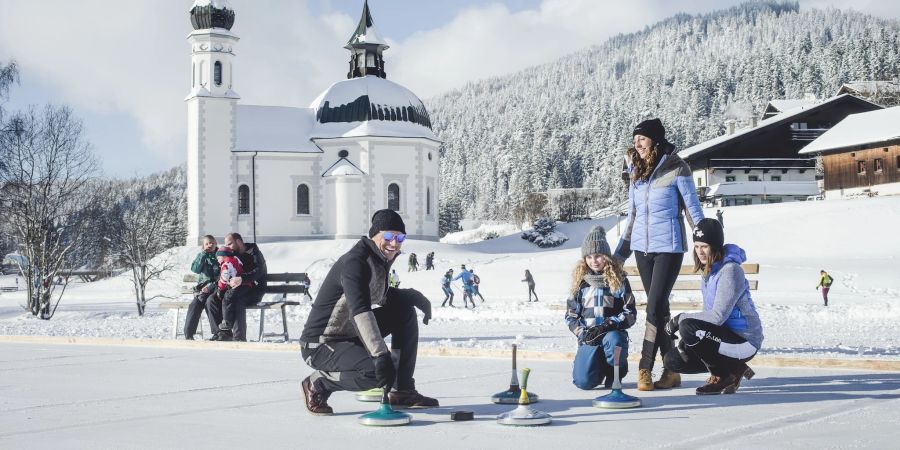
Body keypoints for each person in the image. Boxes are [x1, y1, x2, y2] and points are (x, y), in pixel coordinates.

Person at [299, 209, 437, 415]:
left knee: (404, 313)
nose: (395, 243)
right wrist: (380, 355)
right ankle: (318, 383)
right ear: (375, 234)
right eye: (389, 236)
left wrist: (413, 296)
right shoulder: (355, 262)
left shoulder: (378, 258)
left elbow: (379, 295)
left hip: (348, 336)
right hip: (320, 345)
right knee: (375, 371)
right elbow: (360, 310)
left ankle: (403, 389)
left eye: (400, 237)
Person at [614, 118, 704, 391]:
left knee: (653, 308)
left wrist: (705, 242)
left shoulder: (677, 166)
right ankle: (671, 370)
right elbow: (633, 214)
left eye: (641, 138)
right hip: (642, 248)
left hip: (669, 247)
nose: (637, 144)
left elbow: (692, 208)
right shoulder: (636, 170)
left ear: (654, 139)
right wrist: (621, 252)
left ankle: (645, 368)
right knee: (661, 310)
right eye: (634, 140)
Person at [661, 218, 763, 395]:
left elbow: (717, 317)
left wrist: (680, 319)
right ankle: (734, 368)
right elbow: (709, 319)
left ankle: (722, 376)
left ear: (715, 246)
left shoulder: (730, 271)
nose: (700, 251)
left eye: (705, 246)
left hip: (745, 339)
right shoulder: (708, 272)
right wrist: (689, 342)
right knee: (672, 360)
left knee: (688, 327)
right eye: (697, 246)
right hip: (723, 337)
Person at [566, 225, 637, 390]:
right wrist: (583, 333)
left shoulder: (618, 280)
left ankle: (615, 370)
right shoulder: (580, 283)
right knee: (583, 382)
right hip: (590, 338)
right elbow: (571, 316)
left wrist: (609, 325)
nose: (594, 261)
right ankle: (597, 369)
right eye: (589, 257)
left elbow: (630, 312)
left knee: (614, 339)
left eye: (598, 256)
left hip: (610, 336)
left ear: (606, 256)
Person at [206, 232, 268, 341]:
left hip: (254, 290)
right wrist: (214, 288)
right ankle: (221, 333)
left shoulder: (254, 253)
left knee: (238, 300)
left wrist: (242, 279)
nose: (227, 247)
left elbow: (258, 272)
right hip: (235, 289)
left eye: (230, 244)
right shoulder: (232, 255)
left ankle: (239, 337)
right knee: (212, 299)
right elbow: (225, 272)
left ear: (238, 242)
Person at [184, 235, 220, 340]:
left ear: (216, 243)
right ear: (203, 246)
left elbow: (222, 276)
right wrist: (203, 255)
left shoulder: (220, 255)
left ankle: (217, 333)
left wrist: (211, 286)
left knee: (209, 301)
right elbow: (195, 269)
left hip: (216, 287)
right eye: (207, 243)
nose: (210, 245)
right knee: (195, 304)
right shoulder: (202, 255)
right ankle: (188, 334)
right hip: (203, 289)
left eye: (212, 243)